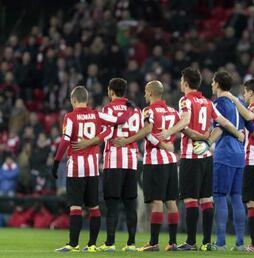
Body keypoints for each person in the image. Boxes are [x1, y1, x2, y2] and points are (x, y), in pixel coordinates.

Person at [158, 67, 244, 251]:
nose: (180, 83)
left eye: (181, 80)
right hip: (207, 157)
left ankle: (190, 242)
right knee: (206, 200)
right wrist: (238, 134)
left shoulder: (185, 100)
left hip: (191, 156)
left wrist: (169, 131)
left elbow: (185, 121)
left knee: (190, 200)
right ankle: (206, 242)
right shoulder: (207, 102)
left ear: (186, 83)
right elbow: (223, 123)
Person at [205, 72, 254, 251]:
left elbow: (221, 128)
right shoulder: (240, 104)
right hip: (240, 156)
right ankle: (239, 242)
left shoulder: (219, 103)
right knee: (237, 197)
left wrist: (207, 143)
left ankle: (221, 242)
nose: (211, 85)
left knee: (220, 196)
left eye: (213, 82)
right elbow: (253, 128)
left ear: (217, 84)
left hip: (225, 154)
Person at [52, 86, 131, 252]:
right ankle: (92, 245)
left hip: (76, 167)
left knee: (75, 207)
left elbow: (65, 141)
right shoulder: (97, 114)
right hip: (93, 168)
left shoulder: (70, 117)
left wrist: (56, 161)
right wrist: (129, 107)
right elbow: (116, 123)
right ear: (86, 100)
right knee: (94, 207)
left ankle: (73, 245)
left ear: (73, 100)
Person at [74, 78, 142, 252]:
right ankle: (131, 243)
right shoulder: (136, 110)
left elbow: (106, 133)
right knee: (130, 203)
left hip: (114, 160)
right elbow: (141, 130)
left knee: (112, 203)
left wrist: (88, 143)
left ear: (111, 91)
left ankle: (110, 243)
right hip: (132, 160)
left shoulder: (108, 109)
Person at [112, 80, 180, 251]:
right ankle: (172, 242)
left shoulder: (148, 110)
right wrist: (170, 144)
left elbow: (147, 131)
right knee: (171, 202)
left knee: (156, 202)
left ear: (150, 93)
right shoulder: (172, 111)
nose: (144, 95)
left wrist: (128, 140)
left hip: (155, 161)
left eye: (145, 92)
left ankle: (154, 242)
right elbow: (178, 129)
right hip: (171, 161)